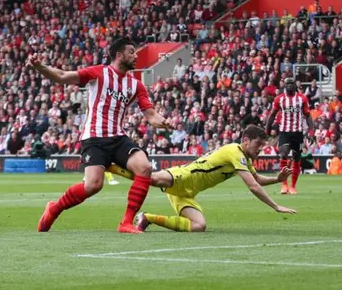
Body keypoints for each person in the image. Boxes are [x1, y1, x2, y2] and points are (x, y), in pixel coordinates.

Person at [29, 37, 172, 233]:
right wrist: (40, 67)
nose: (136, 55)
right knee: (93, 185)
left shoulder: (136, 84)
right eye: (132, 52)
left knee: (144, 167)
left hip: (118, 138)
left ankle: (126, 223)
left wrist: (164, 122)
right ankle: (54, 208)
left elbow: (151, 114)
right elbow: (62, 76)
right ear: (119, 55)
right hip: (94, 138)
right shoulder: (98, 72)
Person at [105, 125, 297, 232]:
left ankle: (147, 218)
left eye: (263, 145)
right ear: (246, 140)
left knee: (199, 226)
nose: (260, 148)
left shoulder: (243, 158)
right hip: (183, 177)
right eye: (258, 144)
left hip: (188, 192)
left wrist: (277, 179)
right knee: (150, 178)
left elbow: (258, 180)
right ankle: (112, 165)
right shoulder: (235, 151)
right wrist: (275, 206)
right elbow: (254, 187)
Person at [266, 78, 314, 195]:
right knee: (283, 154)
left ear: (295, 85)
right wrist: (267, 129)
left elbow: (308, 115)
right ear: (284, 85)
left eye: (291, 83)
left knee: (297, 158)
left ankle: (293, 186)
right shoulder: (279, 99)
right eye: (287, 83)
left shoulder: (302, 98)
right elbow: (272, 115)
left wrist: (311, 131)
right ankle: (284, 184)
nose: (289, 86)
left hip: (298, 132)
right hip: (284, 132)